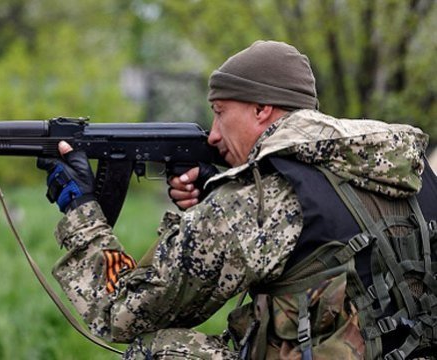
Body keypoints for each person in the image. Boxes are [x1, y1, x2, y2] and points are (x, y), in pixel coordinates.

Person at [37, 40, 437, 359]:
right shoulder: (412, 175)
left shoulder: (257, 200)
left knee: (155, 351)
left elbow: (122, 315)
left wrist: (82, 211)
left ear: (262, 109)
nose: (212, 134)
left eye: (220, 112)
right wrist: (217, 191)